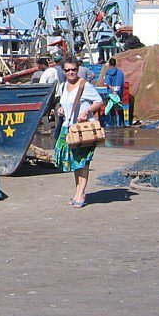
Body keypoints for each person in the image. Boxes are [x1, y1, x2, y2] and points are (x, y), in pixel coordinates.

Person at [53, 56, 104, 208]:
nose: (71, 72)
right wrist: (61, 110)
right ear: (63, 71)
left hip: (83, 129)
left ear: (78, 69)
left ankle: (81, 193)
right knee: (73, 161)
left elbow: (99, 101)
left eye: (73, 70)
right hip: (68, 127)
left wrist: (86, 111)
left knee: (82, 161)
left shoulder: (84, 85)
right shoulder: (63, 86)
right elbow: (65, 104)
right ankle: (77, 192)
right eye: (67, 70)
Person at [102, 58, 125, 128]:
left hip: (111, 93)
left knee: (112, 108)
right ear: (115, 63)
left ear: (109, 64)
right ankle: (122, 123)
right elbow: (122, 83)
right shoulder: (120, 72)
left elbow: (108, 84)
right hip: (119, 93)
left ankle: (114, 124)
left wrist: (113, 91)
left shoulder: (108, 73)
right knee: (120, 107)